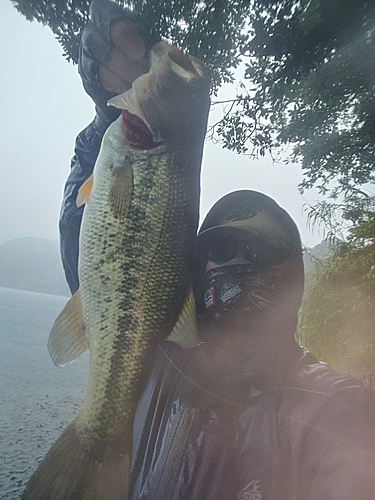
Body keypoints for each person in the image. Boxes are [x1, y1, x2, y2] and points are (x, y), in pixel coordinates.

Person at [60, 1, 375, 498]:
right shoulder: (169, 359)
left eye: (247, 247)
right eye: (211, 247)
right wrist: (113, 103)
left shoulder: (327, 406)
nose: (221, 261)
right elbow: (97, 254)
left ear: (290, 277)